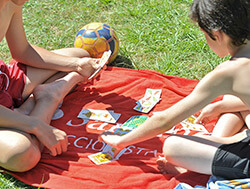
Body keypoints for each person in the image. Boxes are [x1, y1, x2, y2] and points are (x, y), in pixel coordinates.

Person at [99, 0, 250, 179]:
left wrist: (121, 140)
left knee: (172, 146)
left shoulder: (227, 73)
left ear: (217, 34)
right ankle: (218, 145)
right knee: (230, 101)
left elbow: (165, 120)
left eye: (204, 35)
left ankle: (206, 161)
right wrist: (219, 107)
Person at [0, 0, 103, 172]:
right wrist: (37, 126)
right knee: (23, 154)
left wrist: (76, 65)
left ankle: (28, 108)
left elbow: (22, 51)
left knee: (78, 55)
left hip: (4, 82)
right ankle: (47, 99)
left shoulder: (11, 2)